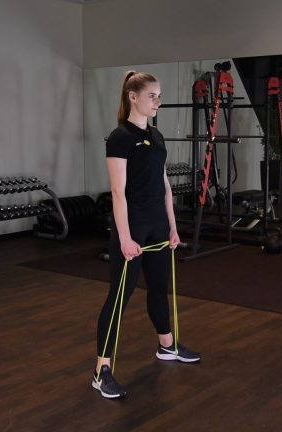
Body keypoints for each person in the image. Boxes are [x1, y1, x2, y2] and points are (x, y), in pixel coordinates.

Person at [92, 71, 201, 399]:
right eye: (152, 96)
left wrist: (173, 226)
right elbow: (117, 191)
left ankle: (167, 346)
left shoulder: (157, 136)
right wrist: (125, 237)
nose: (158, 102)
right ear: (133, 97)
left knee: (158, 289)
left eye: (159, 96)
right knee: (119, 298)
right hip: (133, 226)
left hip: (158, 225)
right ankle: (101, 371)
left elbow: (165, 185)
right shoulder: (120, 138)